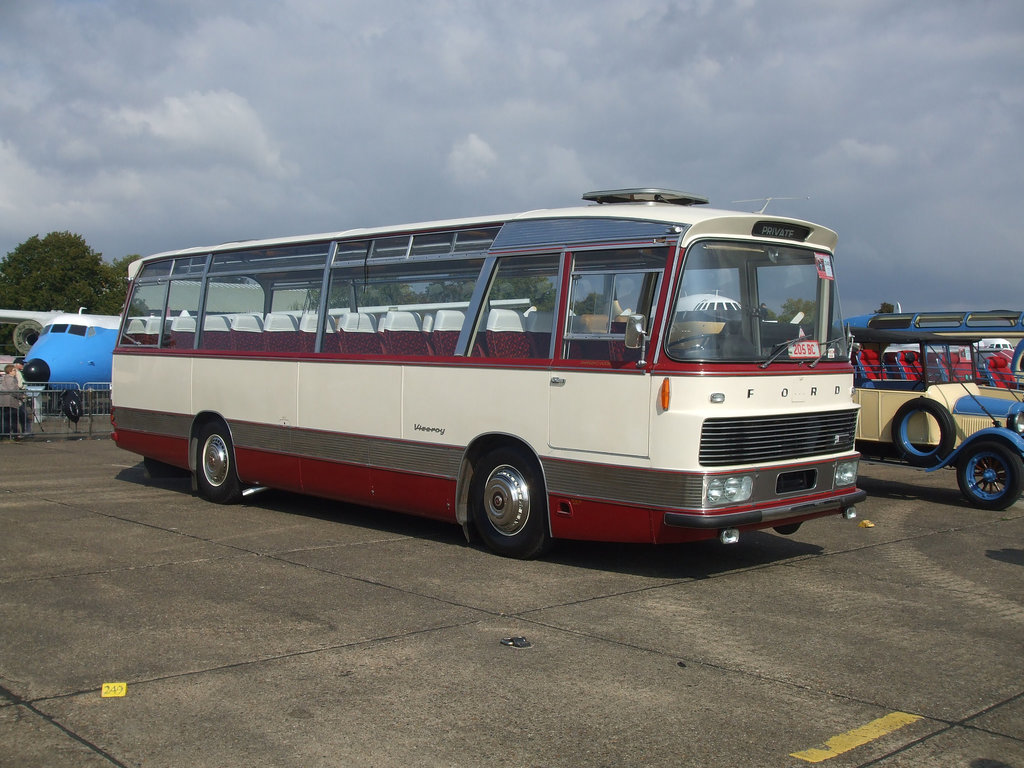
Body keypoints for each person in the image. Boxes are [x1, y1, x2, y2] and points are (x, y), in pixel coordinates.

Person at [0, 364, 24, 439]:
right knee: (12, 419)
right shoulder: (10, 379)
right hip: (10, 402)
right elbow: (12, 390)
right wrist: (21, 396)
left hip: (5, 402)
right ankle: (13, 434)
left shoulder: (5, 378)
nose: (15, 372)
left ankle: (6, 434)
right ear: (9, 371)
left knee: (5, 419)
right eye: (14, 370)